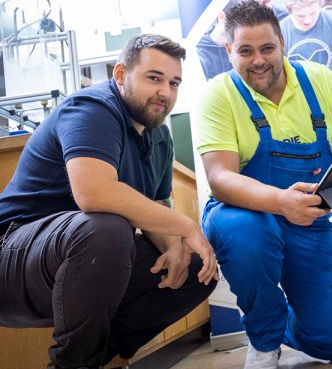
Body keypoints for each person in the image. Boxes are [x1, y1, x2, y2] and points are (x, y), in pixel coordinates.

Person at [0, 34, 219, 368]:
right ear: (120, 75)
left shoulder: (158, 134)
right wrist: (186, 226)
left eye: (174, 83)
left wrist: (173, 246)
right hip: (13, 259)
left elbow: (156, 209)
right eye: (154, 78)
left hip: (78, 263)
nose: (165, 92)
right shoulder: (93, 107)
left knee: (196, 269)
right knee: (106, 228)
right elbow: (94, 193)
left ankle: (87, 359)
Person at [198, 1, 332, 369]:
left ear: (283, 44)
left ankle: (283, 321)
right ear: (228, 51)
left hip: (307, 224)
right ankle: (263, 341)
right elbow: (221, 179)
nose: (258, 60)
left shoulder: (321, 81)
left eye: (267, 48)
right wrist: (280, 202)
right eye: (245, 51)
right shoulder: (219, 95)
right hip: (243, 218)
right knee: (246, 231)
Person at [196, 0, 254, 80]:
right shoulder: (198, 54)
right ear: (222, 17)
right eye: (238, 22)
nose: (243, 29)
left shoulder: (249, 49)